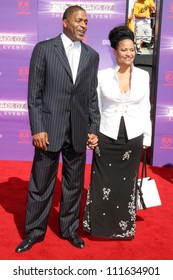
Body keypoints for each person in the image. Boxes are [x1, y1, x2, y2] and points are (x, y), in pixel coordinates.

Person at [15, 5, 100, 253]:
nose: (83, 24)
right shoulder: (44, 49)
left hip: (78, 130)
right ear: (64, 22)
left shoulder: (92, 55)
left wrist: (93, 127)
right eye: (78, 20)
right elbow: (34, 94)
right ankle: (34, 232)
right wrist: (38, 128)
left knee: (74, 184)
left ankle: (69, 230)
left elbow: (91, 96)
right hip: (49, 130)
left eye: (86, 21)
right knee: (41, 183)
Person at [83, 25, 152, 240]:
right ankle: (100, 227)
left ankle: (123, 229)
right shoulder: (103, 76)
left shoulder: (142, 76)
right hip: (107, 134)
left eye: (132, 50)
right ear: (114, 51)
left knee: (125, 185)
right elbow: (96, 107)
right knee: (103, 183)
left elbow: (145, 108)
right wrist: (92, 133)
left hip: (133, 136)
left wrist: (147, 138)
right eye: (124, 50)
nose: (129, 54)